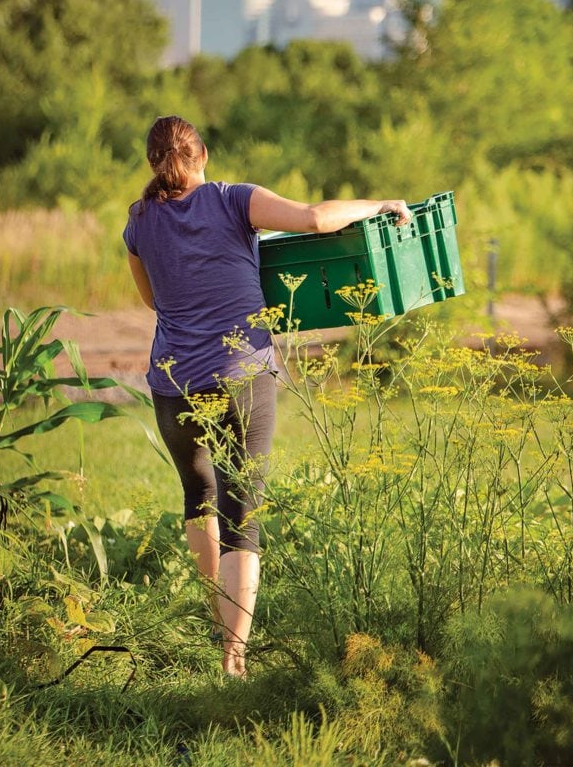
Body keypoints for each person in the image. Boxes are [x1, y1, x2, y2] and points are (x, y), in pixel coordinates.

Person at [123, 115, 411, 678]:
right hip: (240, 375)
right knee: (241, 513)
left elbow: (153, 300)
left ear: (153, 162)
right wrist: (380, 203)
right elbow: (314, 219)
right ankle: (234, 655)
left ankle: (217, 616)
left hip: (171, 382)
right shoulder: (234, 199)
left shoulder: (138, 222)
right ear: (203, 153)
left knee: (198, 494)